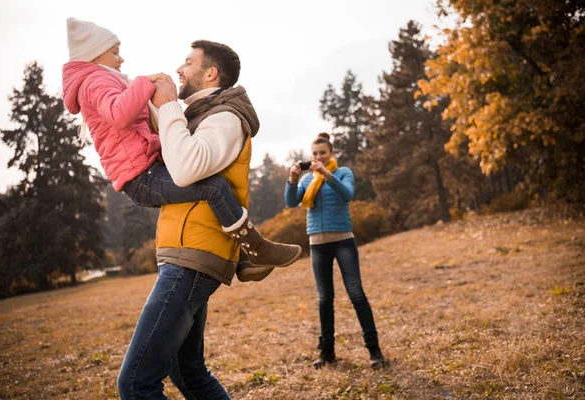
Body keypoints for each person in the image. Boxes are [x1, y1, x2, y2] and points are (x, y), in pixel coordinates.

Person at [116, 39, 294, 398]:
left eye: (188, 62)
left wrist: (167, 109)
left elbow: (184, 169)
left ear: (210, 73)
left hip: (193, 258)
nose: (179, 69)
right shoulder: (198, 117)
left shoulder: (226, 118)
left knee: (136, 384)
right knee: (188, 371)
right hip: (184, 253)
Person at [61, 17, 301, 270]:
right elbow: (120, 115)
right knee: (215, 188)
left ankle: (241, 259)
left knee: (211, 189)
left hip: (146, 169)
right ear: (95, 54)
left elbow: (139, 124)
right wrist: (144, 84)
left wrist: (154, 99)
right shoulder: (96, 82)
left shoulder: (105, 81)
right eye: (115, 52)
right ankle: (256, 248)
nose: (121, 59)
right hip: (140, 176)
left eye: (189, 62)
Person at [285, 133, 388, 369]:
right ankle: (327, 353)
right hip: (317, 244)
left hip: (343, 241)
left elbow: (347, 194)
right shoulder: (306, 180)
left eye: (323, 153)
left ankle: (375, 352)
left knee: (356, 294)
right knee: (324, 299)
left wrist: (326, 174)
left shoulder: (343, 173)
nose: (318, 157)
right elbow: (292, 202)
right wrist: (292, 179)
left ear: (331, 153)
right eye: (315, 154)